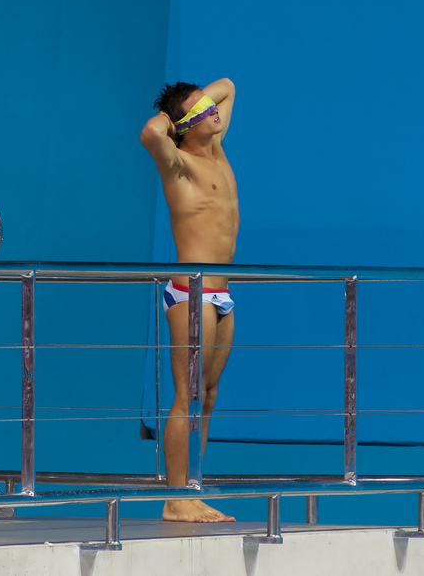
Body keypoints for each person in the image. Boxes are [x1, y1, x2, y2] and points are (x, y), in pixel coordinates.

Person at [140, 78, 239, 523]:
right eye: (200, 108)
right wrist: (172, 117)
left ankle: (192, 489)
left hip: (223, 293)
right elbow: (150, 134)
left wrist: (194, 103)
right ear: (183, 126)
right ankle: (175, 497)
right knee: (188, 394)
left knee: (210, 395)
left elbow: (228, 88)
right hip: (191, 291)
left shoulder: (217, 151)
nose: (211, 109)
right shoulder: (176, 163)